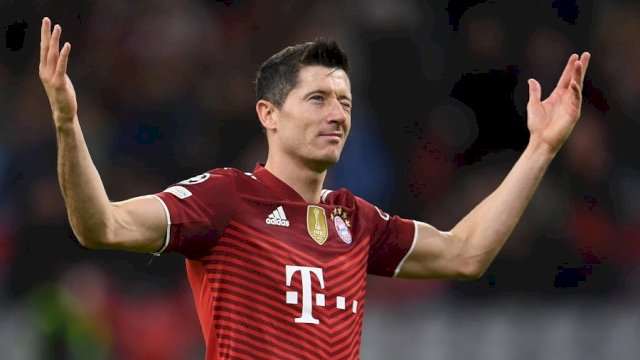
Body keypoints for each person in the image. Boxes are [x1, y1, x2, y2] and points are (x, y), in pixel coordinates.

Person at [39, 16, 590, 360]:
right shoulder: (227, 199)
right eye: (319, 99)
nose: (337, 116)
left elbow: (466, 252)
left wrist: (540, 148)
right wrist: (68, 126)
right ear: (269, 114)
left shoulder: (357, 218)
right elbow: (101, 226)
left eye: (345, 102)